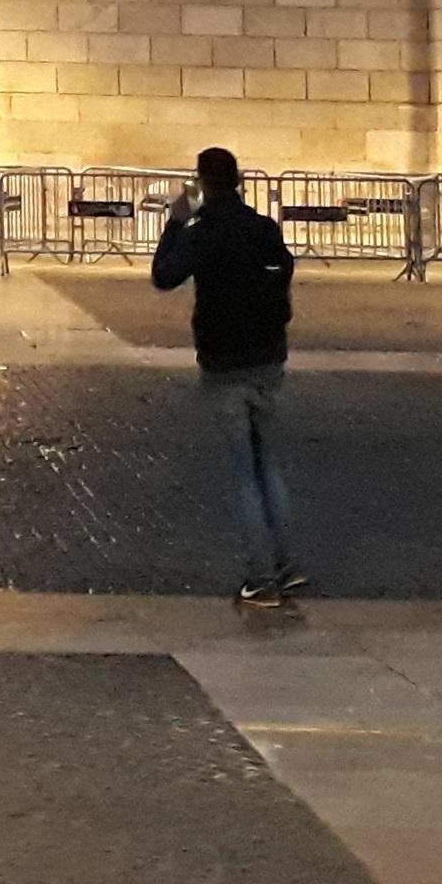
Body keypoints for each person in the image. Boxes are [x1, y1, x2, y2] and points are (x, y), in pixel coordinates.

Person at [151, 146, 301, 606]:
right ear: (238, 180)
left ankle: (260, 577)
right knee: (268, 463)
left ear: (203, 183)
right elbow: (285, 272)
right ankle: (286, 565)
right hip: (268, 359)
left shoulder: (202, 232)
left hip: (224, 362)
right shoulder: (263, 228)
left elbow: (164, 277)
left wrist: (175, 221)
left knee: (242, 471)